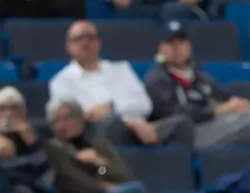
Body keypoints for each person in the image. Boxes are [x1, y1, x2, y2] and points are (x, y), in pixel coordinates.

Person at [145, 21, 250, 167]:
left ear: (189, 46)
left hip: (215, 127)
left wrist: (237, 105)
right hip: (190, 137)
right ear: (161, 48)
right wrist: (220, 109)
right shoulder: (157, 79)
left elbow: (225, 98)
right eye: (171, 43)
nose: (177, 48)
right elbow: (178, 116)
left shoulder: (198, 75)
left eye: (181, 42)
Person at [48, 19, 192, 148]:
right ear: (68, 45)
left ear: (99, 43)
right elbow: (83, 116)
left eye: (90, 38)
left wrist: (112, 107)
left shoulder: (122, 69)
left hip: (142, 129)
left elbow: (144, 104)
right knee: (112, 123)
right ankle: (113, 175)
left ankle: (173, 173)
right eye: (79, 38)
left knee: (181, 124)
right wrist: (128, 120)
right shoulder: (61, 81)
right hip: (98, 135)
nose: (85, 43)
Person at [46, 98, 154, 193]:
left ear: (80, 118)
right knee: (137, 189)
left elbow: (125, 176)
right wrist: (101, 186)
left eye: (67, 118)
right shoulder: (55, 147)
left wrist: (100, 164)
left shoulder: (98, 145)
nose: (62, 125)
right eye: (56, 121)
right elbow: (71, 179)